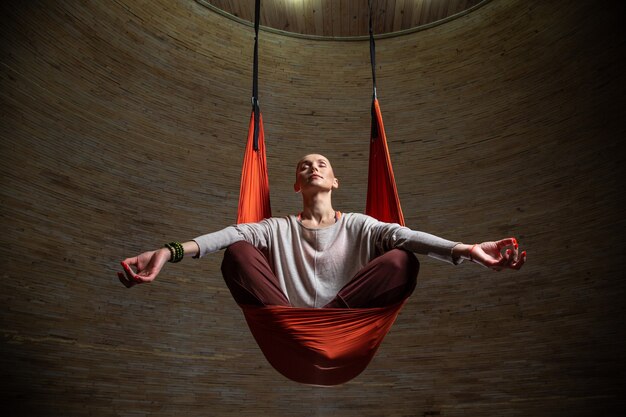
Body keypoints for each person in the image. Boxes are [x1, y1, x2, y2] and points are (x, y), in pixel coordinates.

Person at [118, 154, 526, 309]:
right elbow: (227, 234)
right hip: (286, 326)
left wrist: (469, 250)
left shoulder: (360, 226)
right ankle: (294, 323)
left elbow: (407, 235)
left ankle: (332, 319)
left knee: (402, 259)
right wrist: (169, 252)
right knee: (238, 251)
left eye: (322, 164)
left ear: (334, 182)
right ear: (297, 184)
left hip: (347, 326)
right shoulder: (276, 227)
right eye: (303, 166)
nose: (312, 167)